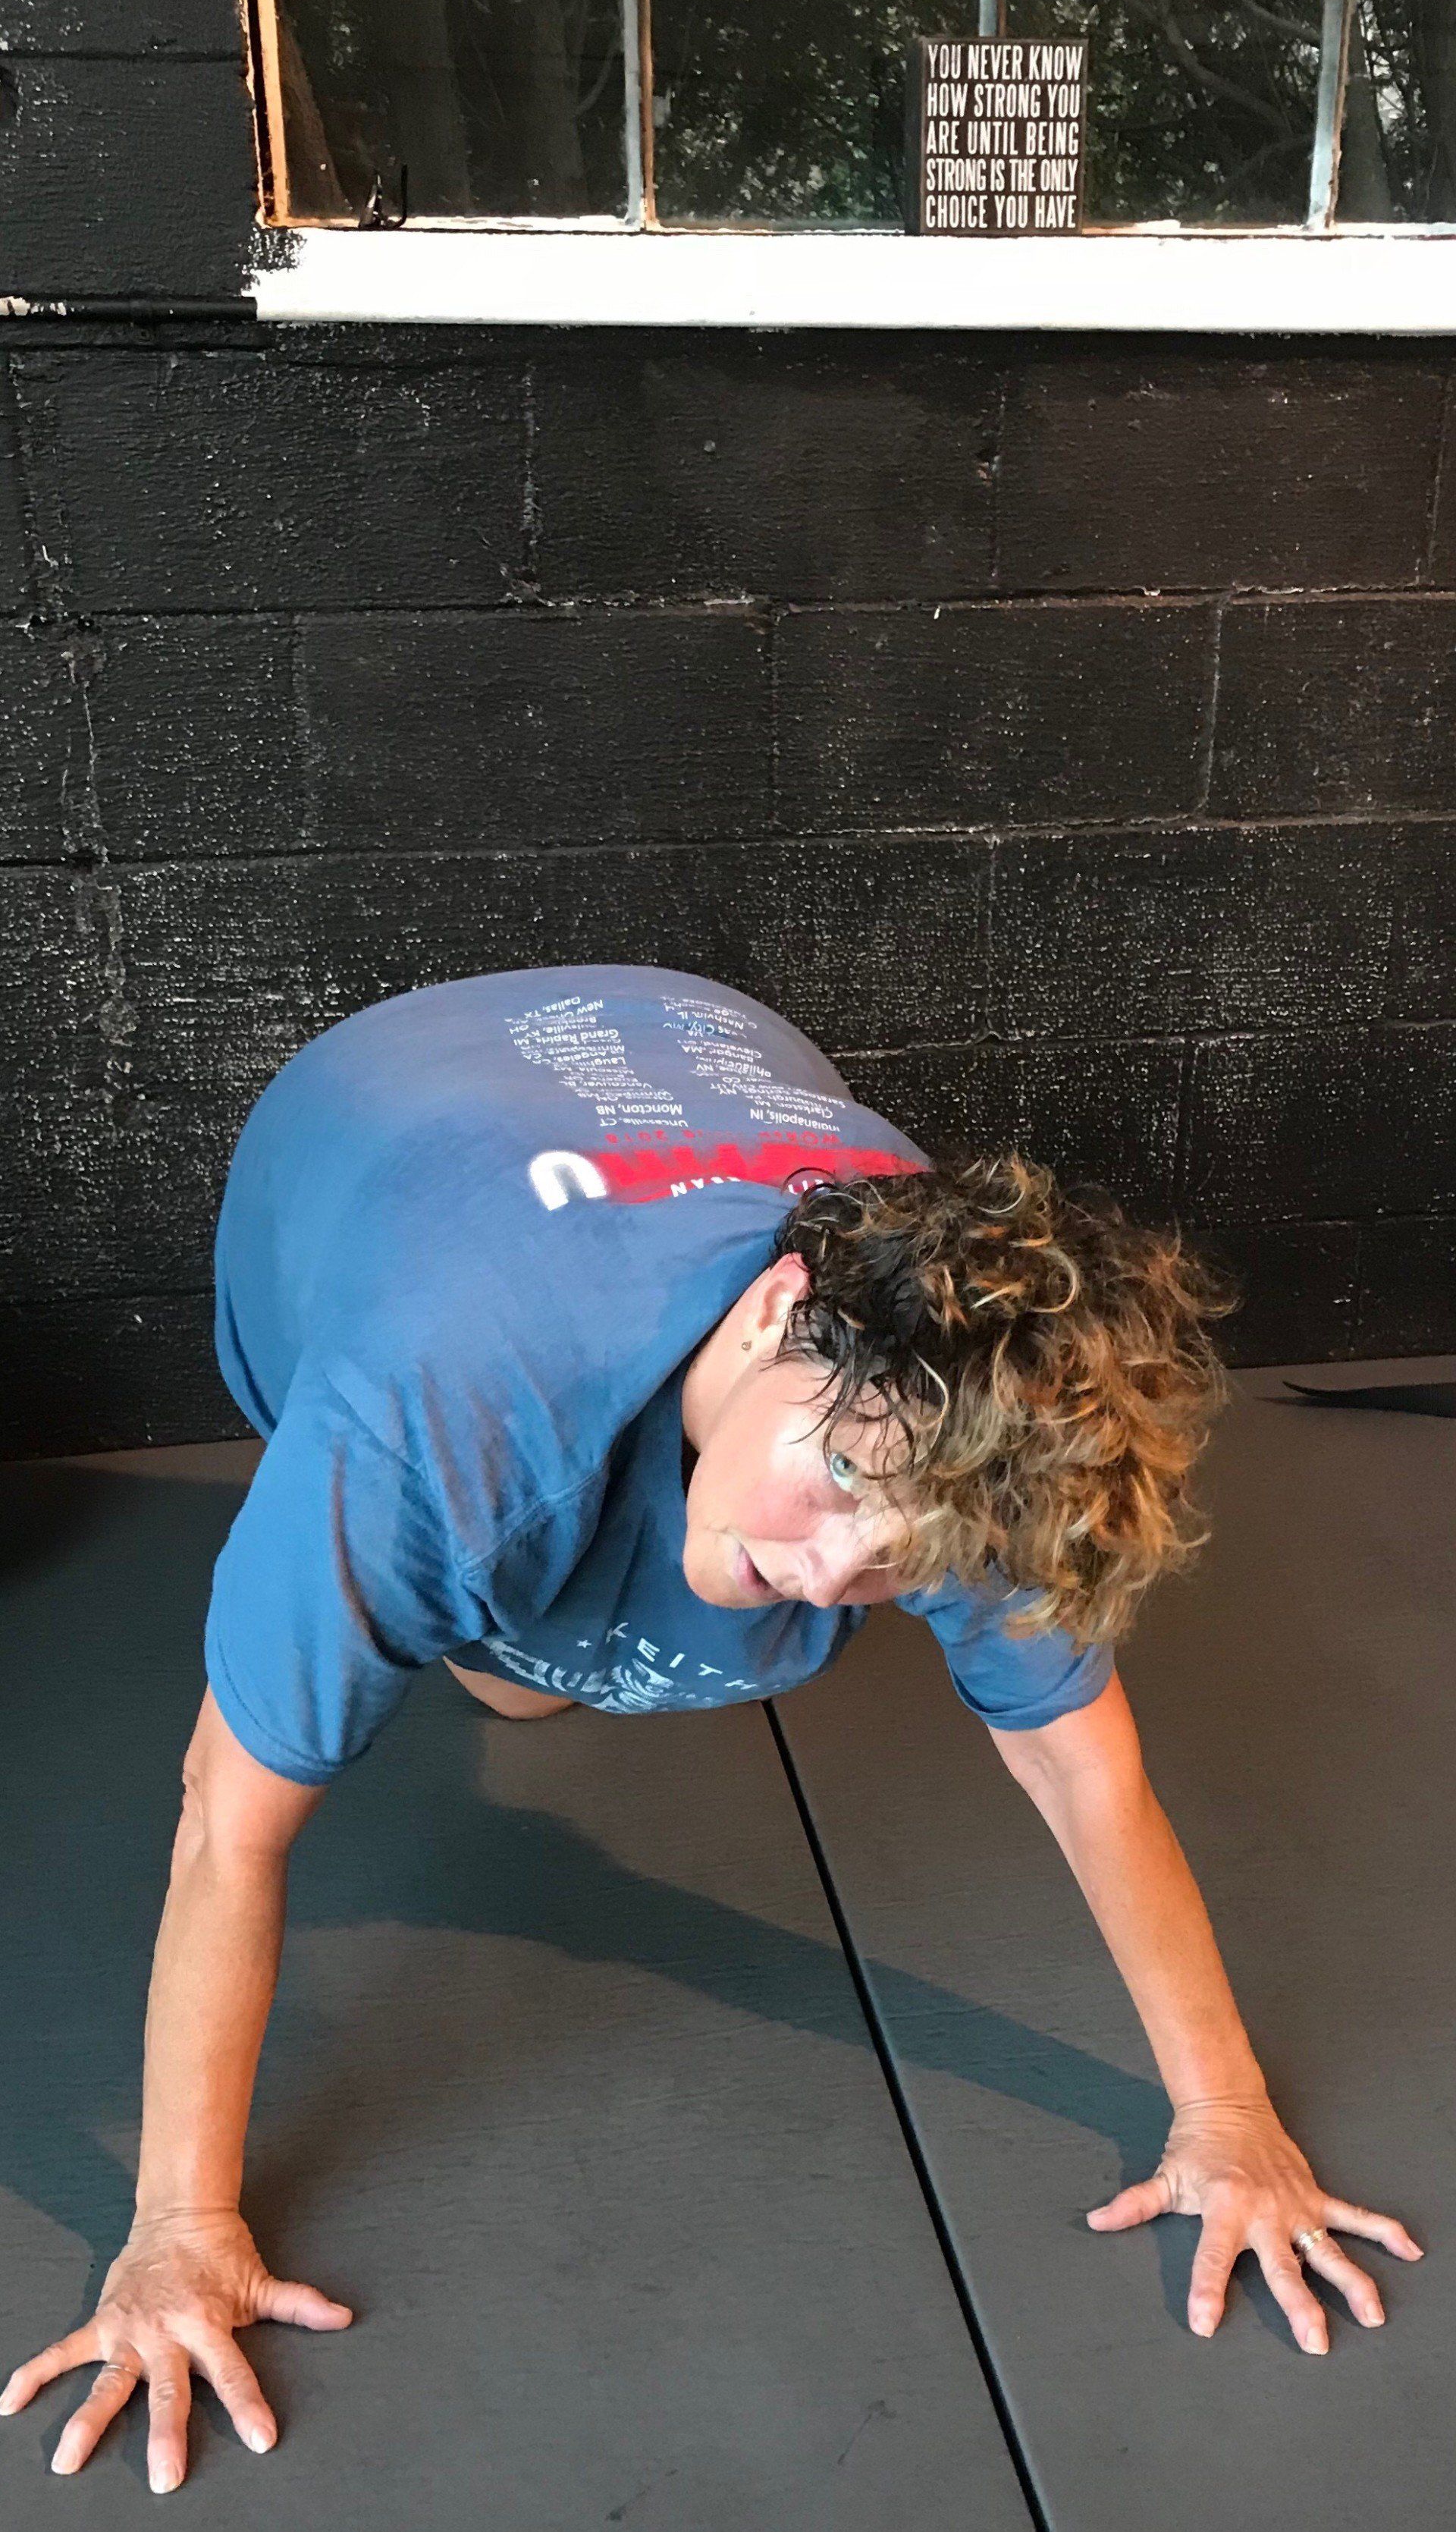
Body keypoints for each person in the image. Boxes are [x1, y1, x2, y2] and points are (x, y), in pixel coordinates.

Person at [1, 966, 1420, 2494]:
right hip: (355, 1138)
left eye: (897, 1558)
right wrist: (179, 2231)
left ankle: (530, 1613)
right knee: (468, 1601)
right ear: (773, 1312)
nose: (827, 1576)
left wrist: (1229, 2113)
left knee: (580, 1623)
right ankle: (488, 1612)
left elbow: (1085, 1770)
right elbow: (228, 1818)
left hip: (701, 1037)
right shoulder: (430, 1415)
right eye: (836, 1493)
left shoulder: (977, 1420)